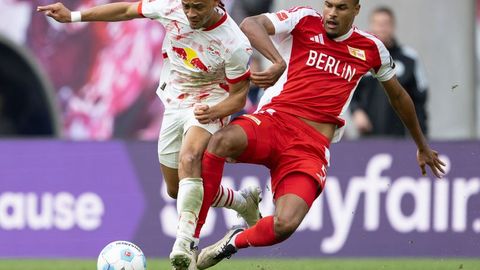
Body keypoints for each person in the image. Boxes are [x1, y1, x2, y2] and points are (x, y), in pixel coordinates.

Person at [188, 0, 446, 269]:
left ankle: (232, 242)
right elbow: (250, 24)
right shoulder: (304, 19)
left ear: (356, 10)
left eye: (341, 8)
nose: (332, 13)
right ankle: (191, 242)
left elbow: (399, 96)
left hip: (310, 148)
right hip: (275, 123)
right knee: (219, 142)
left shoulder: (371, 48)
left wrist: (421, 145)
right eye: (329, 5)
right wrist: (276, 62)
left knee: (285, 224)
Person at [37, 1, 262, 269]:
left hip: (210, 104)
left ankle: (185, 242)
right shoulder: (170, 8)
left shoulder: (234, 41)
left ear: (215, 2)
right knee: (176, 189)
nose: (191, 14)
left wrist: (214, 110)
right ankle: (241, 201)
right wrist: (73, 16)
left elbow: (238, 98)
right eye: (187, 6)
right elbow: (126, 11)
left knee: (189, 158)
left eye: (198, 7)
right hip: (174, 102)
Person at [350, 6, 429, 137]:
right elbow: (350, 91)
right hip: (367, 135)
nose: (381, 28)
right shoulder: (360, 57)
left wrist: (420, 133)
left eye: (385, 24)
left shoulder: (409, 58)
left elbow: (420, 96)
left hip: (401, 135)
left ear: (393, 27)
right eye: (377, 24)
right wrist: (356, 111)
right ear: (371, 26)